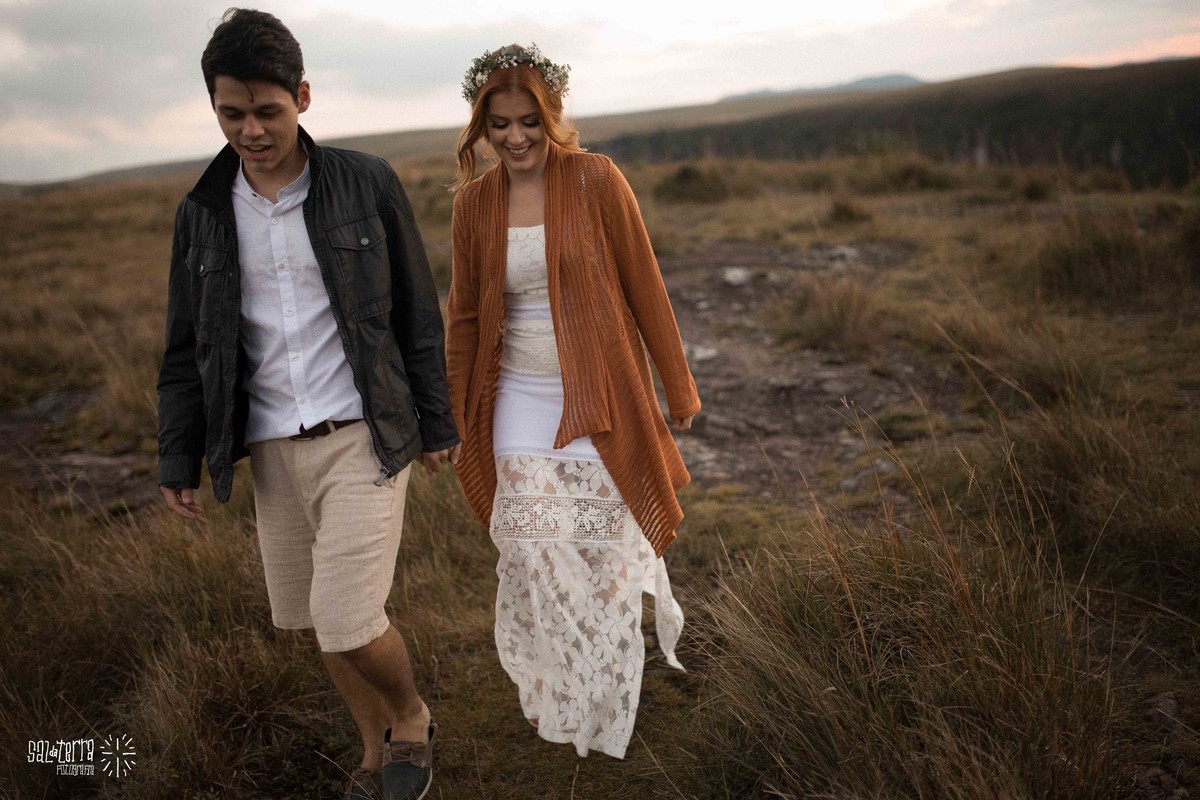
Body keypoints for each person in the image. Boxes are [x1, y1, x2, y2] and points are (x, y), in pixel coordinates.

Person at [155, 9, 456, 799]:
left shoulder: (364, 182)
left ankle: (413, 719)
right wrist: (177, 456)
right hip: (271, 449)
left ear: (304, 98)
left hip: (364, 432)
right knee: (308, 619)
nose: (251, 130)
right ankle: (371, 749)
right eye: (232, 113)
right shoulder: (203, 214)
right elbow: (188, 347)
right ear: (214, 107)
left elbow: (417, 314)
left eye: (268, 111)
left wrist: (437, 423)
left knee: (348, 616)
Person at [446, 43, 701, 760]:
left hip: (599, 392)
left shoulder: (595, 180)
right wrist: (452, 410)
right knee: (532, 545)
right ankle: (562, 683)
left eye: (529, 121)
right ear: (481, 127)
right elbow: (464, 316)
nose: (516, 138)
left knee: (599, 553)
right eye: (499, 125)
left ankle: (604, 683)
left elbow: (644, 283)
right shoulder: (473, 205)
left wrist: (677, 387)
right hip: (516, 398)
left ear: (553, 116)